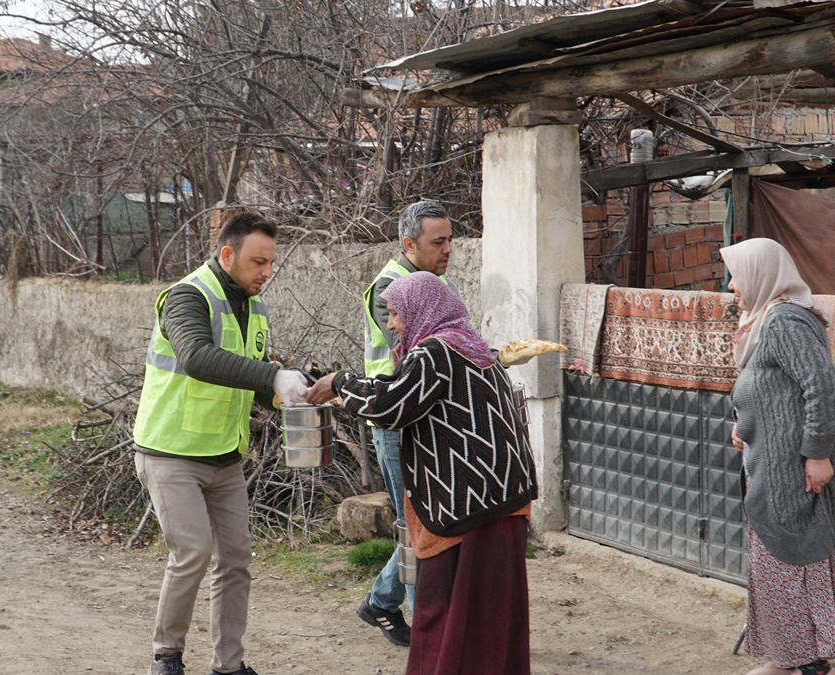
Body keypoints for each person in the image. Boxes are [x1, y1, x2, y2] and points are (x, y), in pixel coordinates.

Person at [306, 271, 537, 674]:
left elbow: (392, 406)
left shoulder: (435, 351)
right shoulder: (470, 346)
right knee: (491, 612)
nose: (391, 324)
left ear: (421, 310)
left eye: (395, 313)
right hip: (501, 499)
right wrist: (355, 386)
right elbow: (401, 387)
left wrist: (340, 382)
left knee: (443, 606)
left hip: (469, 506)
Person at [132, 211, 309, 675]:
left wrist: (287, 397)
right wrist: (272, 373)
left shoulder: (254, 306)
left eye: (271, 262)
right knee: (192, 553)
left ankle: (228, 666)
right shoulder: (187, 297)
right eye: (258, 262)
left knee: (235, 560)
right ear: (227, 254)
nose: (266, 272)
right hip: (171, 450)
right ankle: (166, 657)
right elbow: (196, 357)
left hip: (225, 455)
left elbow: (244, 379)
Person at [721, 238, 835, 675]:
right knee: (776, 558)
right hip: (776, 462)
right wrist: (745, 422)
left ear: (760, 274)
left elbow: (824, 386)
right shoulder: (765, 321)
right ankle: (788, 657)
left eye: (737, 274)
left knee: (793, 557)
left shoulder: (783, 321)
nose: (733, 285)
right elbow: (771, 388)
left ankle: (809, 664)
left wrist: (816, 455)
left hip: (793, 466)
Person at [357, 200, 457, 646]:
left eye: (450, 239)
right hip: (397, 421)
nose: (448, 248)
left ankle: (382, 601)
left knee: (423, 521)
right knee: (413, 522)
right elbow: (419, 345)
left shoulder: (436, 281)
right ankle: (427, 628)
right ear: (408, 244)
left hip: (428, 419)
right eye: (439, 241)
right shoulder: (390, 287)